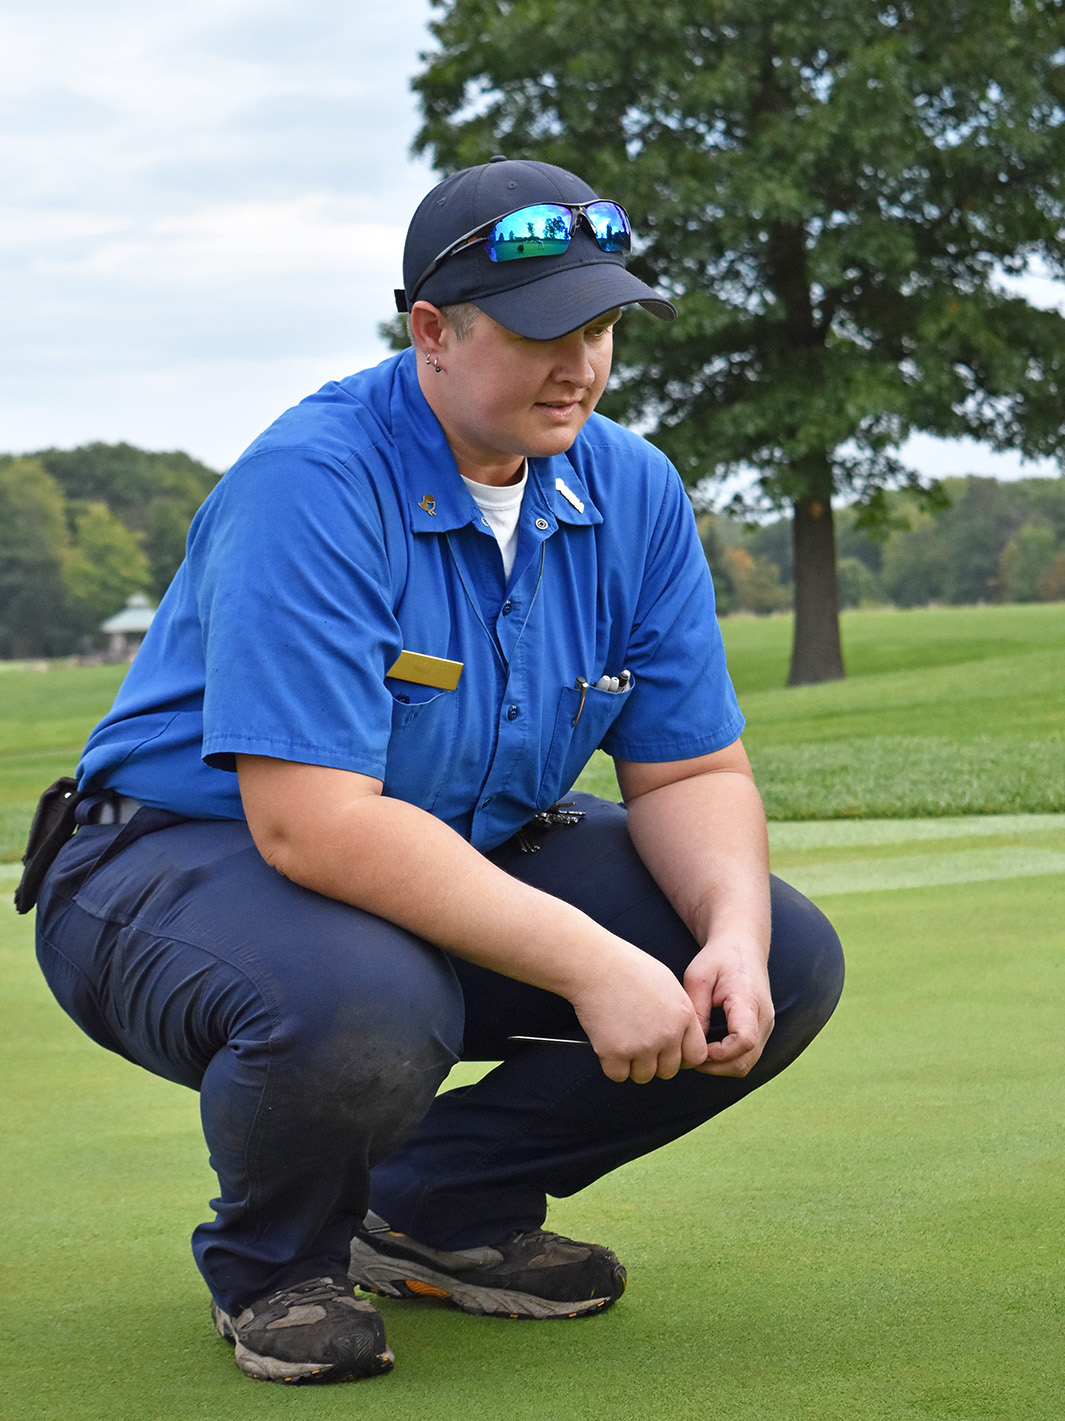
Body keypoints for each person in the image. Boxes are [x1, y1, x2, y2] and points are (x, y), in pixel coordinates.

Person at [27, 156, 844, 1386]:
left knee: (782, 952)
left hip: (443, 844)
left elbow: (689, 773)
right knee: (372, 998)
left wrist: (722, 928)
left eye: (604, 325)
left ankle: (434, 1211)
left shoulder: (632, 488)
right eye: (540, 330)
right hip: (168, 861)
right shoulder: (314, 478)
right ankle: (279, 1267)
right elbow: (313, 827)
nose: (581, 363)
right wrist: (598, 961)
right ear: (433, 332)